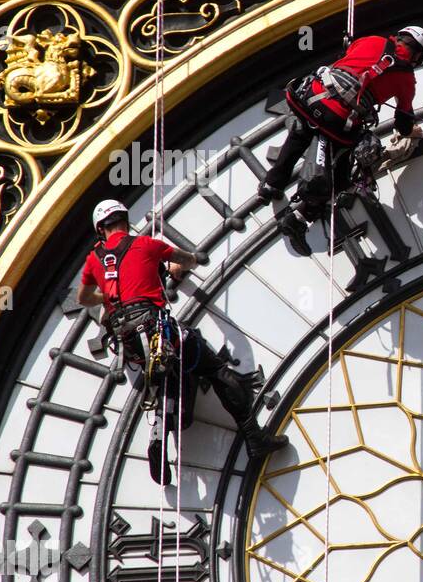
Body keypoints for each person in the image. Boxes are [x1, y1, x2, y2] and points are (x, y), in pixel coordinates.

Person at [78, 200, 288, 477]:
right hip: (159, 330)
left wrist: (106, 298)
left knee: (165, 377)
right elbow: (188, 259)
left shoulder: (94, 260)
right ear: (125, 222)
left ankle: (158, 439)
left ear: (99, 230)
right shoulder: (146, 245)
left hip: (131, 343)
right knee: (215, 369)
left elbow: (82, 298)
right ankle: (254, 437)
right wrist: (176, 269)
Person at [259, 25, 423, 255]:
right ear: (418, 56)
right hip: (337, 122)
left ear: (399, 36)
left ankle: (271, 185)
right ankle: (299, 217)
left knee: (302, 130)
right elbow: (403, 122)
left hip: (309, 96)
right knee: (341, 175)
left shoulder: (372, 39)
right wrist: (408, 128)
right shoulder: (406, 79)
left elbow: (346, 55)